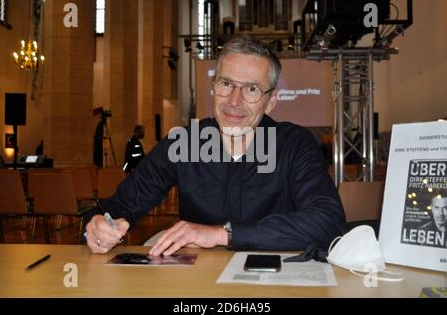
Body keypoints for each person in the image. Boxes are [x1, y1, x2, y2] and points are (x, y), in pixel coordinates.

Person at [83, 36, 345, 255]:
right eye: (226, 84)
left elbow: (328, 223)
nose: (234, 101)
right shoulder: (183, 142)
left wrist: (222, 235)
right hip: (199, 279)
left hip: (273, 277)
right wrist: (97, 224)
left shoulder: (294, 145)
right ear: (213, 87)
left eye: (251, 89)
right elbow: (116, 207)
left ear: (271, 101)